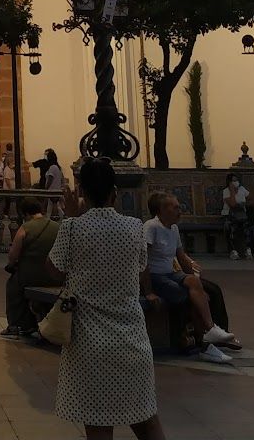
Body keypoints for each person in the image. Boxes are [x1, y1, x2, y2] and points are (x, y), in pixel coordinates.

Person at [47, 158, 166, 440]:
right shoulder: (135, 227)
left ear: (81, 192)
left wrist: (72, 217)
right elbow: (140, 266)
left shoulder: (73, 228)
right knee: (146, 420)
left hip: (90, 344)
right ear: (114, 192)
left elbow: (54, 270)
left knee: (98, 424)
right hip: (132, 339)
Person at [145, 193, 234, 362]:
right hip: (156, 276)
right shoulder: (151, 227)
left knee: (196, 284)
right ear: (162, 210)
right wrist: (148, 291)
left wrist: (198, 286)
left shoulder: (174, 228)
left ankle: (211, 329)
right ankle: (206, 346)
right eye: (175, 207)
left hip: (170, 273)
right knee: (189, 298)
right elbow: (143, 260)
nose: (180, 210)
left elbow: (181, 257)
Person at [1, 198, 61, 340]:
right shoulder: (56, 226)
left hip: (30, 276)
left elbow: (13, 255)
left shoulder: (26, 228)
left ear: (26, 214)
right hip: (53, 275)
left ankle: (15, 325)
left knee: (13, 288)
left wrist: (12, 265)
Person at [222, 174, 251, 260]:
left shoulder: (242, 190)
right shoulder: (226, 191)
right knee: (230, 229)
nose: (235, 182)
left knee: (246, 229)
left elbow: (253, 199)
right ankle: (233, 251)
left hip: (242, 215)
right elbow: (233, 204)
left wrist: (245, 204)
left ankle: (247, 249)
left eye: (236, 180)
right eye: (233, 181)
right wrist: (232, 192)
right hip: (229, 215)